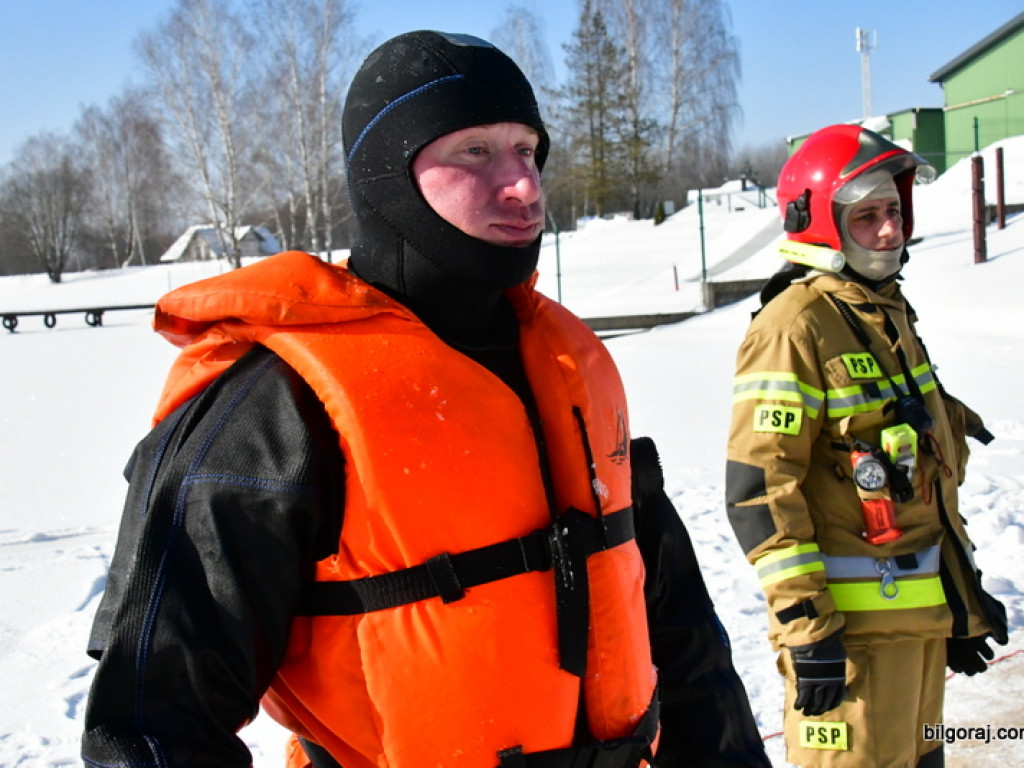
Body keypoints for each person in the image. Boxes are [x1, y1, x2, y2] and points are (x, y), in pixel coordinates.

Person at [81, 30, 770, 768]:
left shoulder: (568, 366)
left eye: (528, 151)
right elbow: (151, 726)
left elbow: (680, 632)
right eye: (475, 152)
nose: (524, 185)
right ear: (387, 174)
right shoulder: (273, 403)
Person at [725, 123, 1009, 768]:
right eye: (867, 217)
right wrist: (808, 631)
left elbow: (915, 469)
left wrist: (959, 601)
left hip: (916, 627)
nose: (888, 232)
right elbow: (760, 490)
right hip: (848, 647)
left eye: (894, 213)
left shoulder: (882, 312)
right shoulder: (794, 326)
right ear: (820, 222)